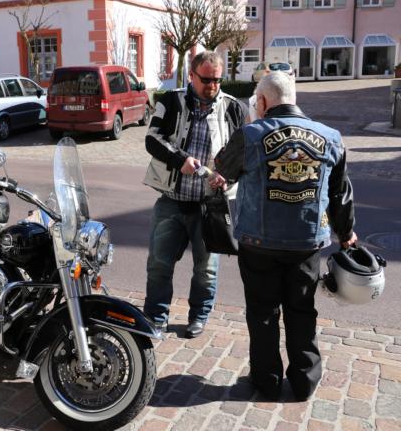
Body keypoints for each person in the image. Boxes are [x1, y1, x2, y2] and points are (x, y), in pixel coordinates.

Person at [212, 72, 357, 400]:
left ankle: (267, 380)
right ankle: (305, 381)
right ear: (294, 98)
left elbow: (222, 168)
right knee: (302, 310)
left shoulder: (250, 134)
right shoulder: (331, 137)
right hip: (306, 242)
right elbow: (341, 194)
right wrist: (346, 233)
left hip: (258, 242)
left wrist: (250, 125)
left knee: (262, 313)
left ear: (263, 101)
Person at [143, 51, 247, 338]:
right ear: (191, 75)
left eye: (217, 80)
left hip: (209, 206)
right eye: (206, 80)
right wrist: (180, 160)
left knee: (206, 269)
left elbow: (243, 152)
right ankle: (155, 317)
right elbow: (152, 139)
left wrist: (228, 175)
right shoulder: (171, 101)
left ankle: (198, 316)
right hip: (172, 200)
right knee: (159, 264)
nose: (213, 86)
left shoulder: (233, 108)